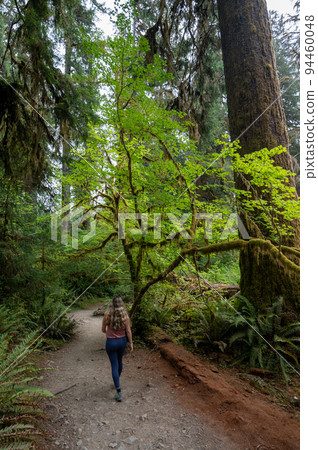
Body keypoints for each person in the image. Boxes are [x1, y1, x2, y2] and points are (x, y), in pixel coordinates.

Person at [102, 296, 133, 402]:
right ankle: (117, 381)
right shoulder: (125, 316)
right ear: (121, 304)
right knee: (120, 362)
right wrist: (131, 344)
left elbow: (103, 330)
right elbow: (128, 331)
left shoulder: (107, 315)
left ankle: (118, 391)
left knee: (114, 365)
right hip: (122, 342)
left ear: (112, 303)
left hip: (111, 343)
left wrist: (110, 332)